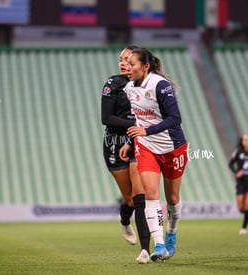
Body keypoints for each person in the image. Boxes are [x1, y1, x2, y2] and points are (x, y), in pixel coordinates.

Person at [119, 47, 189, 262]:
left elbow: (175, 119)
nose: (127, 68)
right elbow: (140, 121)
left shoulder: (160, 85)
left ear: (145, 66)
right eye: (126, 64)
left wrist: (146, 131)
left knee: (173, 198)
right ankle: (158, 245)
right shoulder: (129, 88)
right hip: (146, 146)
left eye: (132, 64)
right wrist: (132, 142)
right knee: (151, 195)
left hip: (172, 146)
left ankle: (171, 233)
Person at [101, 45, 151, 264]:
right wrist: (136, 123)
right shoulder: (113, 84)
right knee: (129, 198)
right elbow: (106, 118)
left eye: (128, 59)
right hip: (115, 143)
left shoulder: (145, 83)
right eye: (121, 59)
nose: (123, 63)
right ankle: (124, 221)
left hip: (138, 142)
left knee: (140, 197)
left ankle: (145, 251)